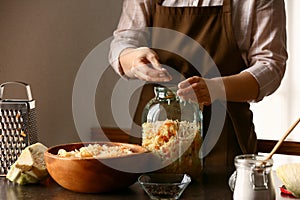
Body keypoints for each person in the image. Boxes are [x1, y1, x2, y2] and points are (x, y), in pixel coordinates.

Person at [109, 0, 288, 176]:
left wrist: (217, 88)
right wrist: (132, 58)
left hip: (225, 136)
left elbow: (271, 64)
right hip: (155, 130)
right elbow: (124, 41)